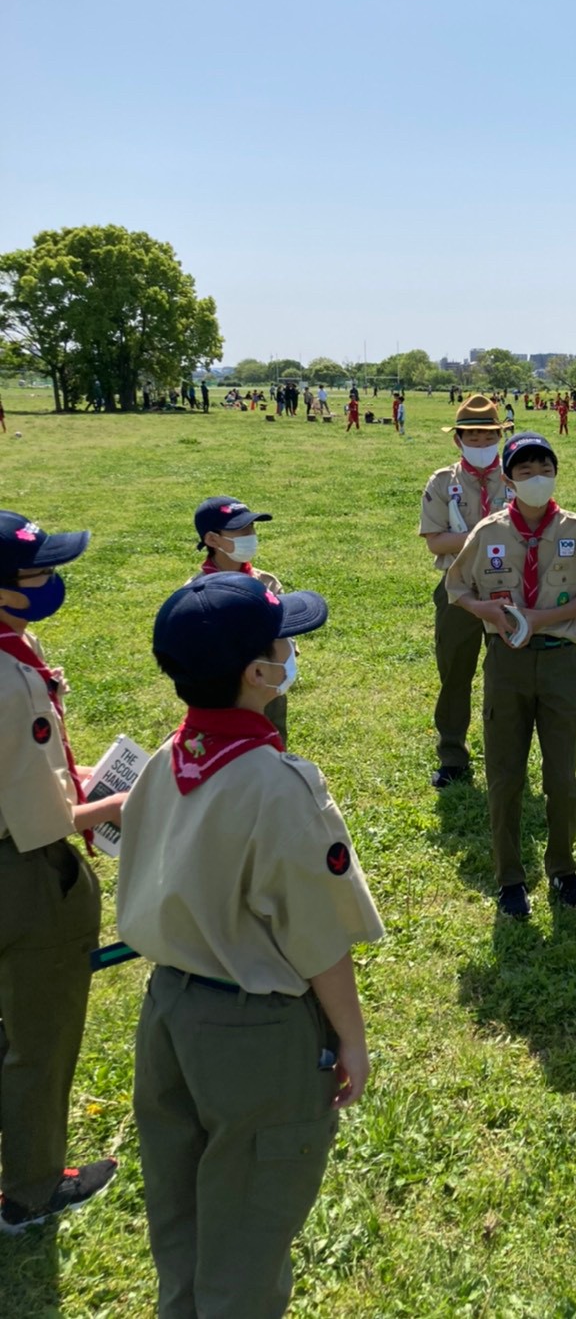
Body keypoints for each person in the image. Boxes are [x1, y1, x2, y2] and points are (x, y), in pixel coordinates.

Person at [117, 573, 384, 1317]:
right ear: (258, 675)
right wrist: (351, 1038)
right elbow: (318, 938)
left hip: (167, 1012)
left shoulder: (167, 760)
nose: (290, 652)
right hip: (252, 1035)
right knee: (247, 1240)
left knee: (183, 1219)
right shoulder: (279, 785)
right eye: (281, 643)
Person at [0, 510, 125, 1234]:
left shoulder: (16, 646)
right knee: (40, 1041)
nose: (51, 580)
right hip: (23, 875)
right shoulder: (10, 681)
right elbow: (42, 821)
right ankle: (33, 1188)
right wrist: (116, 805)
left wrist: (70, 779)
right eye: (37, 571)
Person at [446, 431, 576, 916]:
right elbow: (457, 587)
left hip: (559, 661)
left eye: (545, 469)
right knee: (504, 775)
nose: (537, 478)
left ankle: (562, 869)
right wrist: (484, 610)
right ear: (509, 478)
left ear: (556, 473)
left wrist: (541, 618)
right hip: (507, 663)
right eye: (525, 471)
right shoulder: (489, 533)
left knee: (562, 777)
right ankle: (511, 879)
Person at [419, 396, 509, 788]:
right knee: (455, 674)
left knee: (507, 676)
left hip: (508, 590)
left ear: (500, 436)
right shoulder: (443, 482)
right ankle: (453, 755)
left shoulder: (517, 476)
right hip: (458, 589)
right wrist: (486, 535)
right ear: (458, 440)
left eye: (488, 436)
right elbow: (436, 542)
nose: (480, 442)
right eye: (472, 436)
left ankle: (505, 753)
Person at [192, 496, 291, 747]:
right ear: (212, 539)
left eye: (252, 528)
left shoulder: (267, 583)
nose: (251, 536)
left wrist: (284, 669)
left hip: (268, 687)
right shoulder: (195, 594)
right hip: (223, 695)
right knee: (227, 750)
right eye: (241, 530)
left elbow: (285, 635)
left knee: (274, 744)